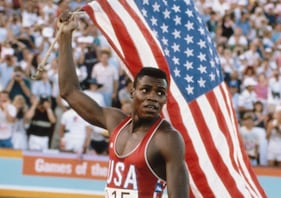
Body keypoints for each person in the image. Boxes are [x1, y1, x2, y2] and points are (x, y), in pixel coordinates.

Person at [57, 12, 189, 197]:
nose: (153, 97)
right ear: (132, 92)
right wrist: (65, 35)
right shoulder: (115, 122)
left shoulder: (167, 138)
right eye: (146, 90)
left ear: (165, 99)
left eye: (160, 93)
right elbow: (69, 92)